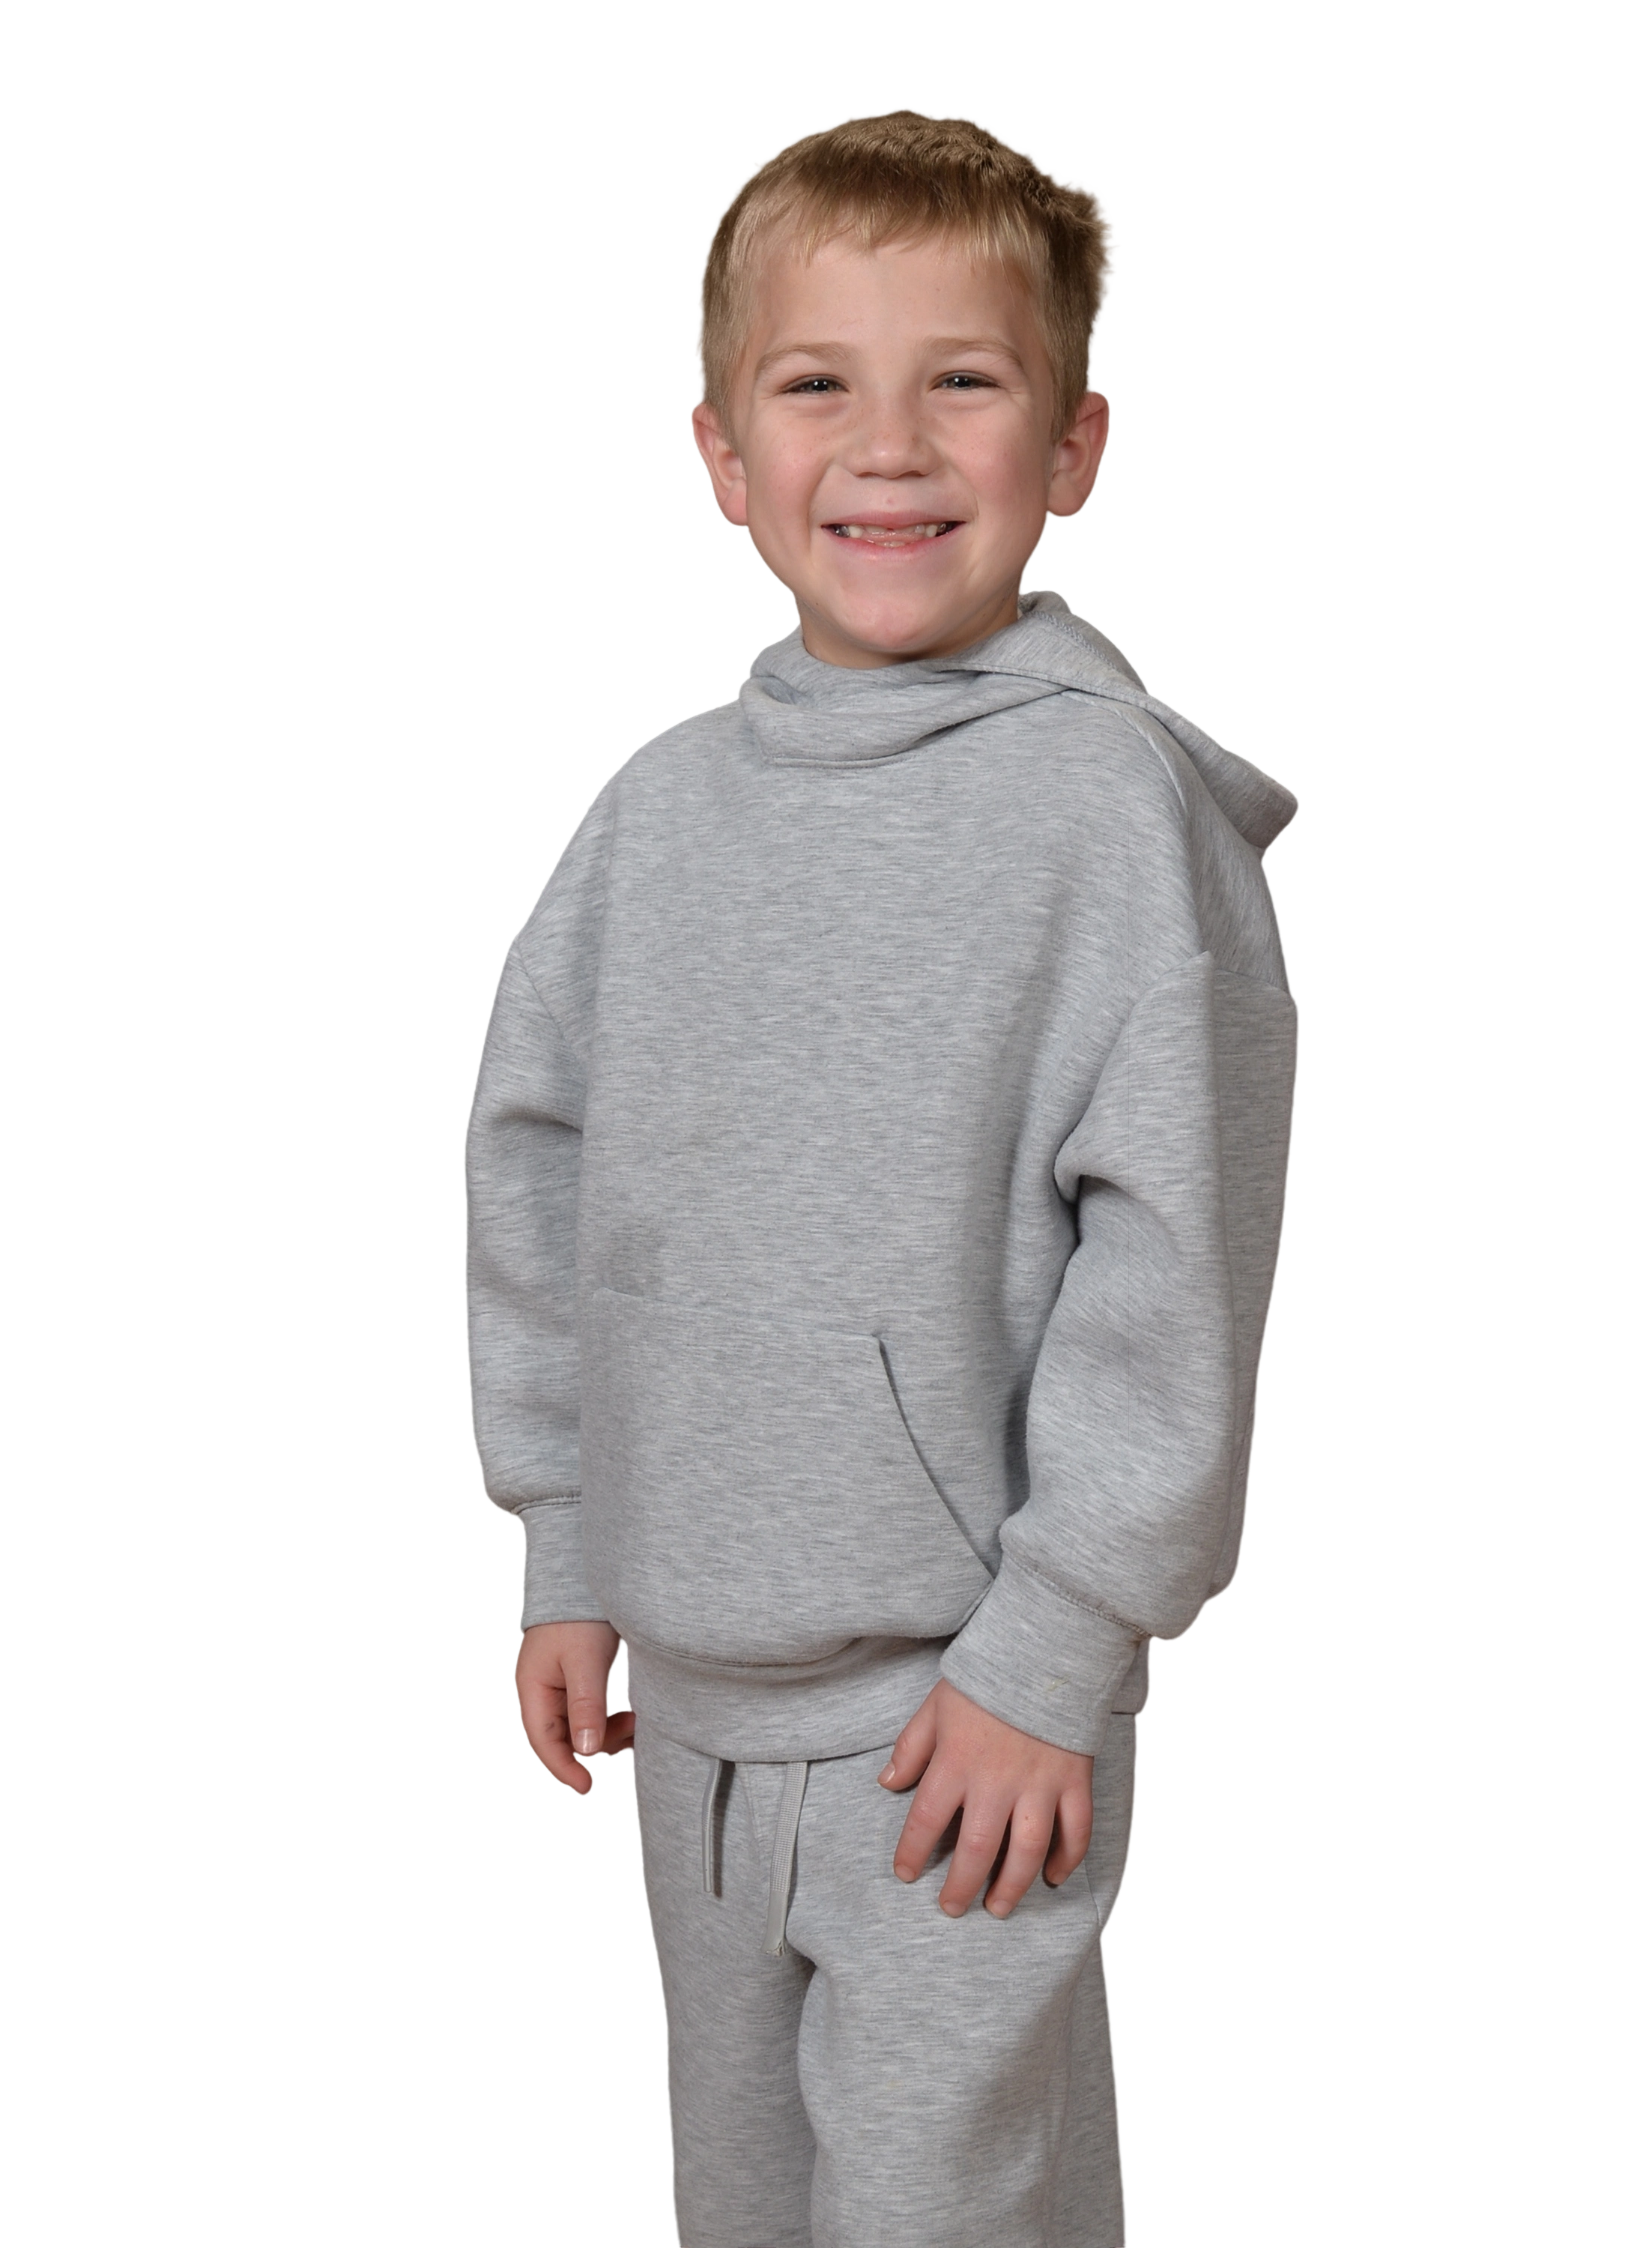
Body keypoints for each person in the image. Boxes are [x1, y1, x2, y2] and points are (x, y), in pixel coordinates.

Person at [462, 103, 1301, 2248]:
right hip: (695, 1709)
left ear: (1076, 445)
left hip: (964, 1719)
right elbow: (546, 1176)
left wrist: (1059, 1649)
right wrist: (571, 1539)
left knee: (946, 2215)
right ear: (722, 454)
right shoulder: (655, 814)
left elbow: (1175, 1266)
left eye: (966, 379)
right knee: (754, 2208)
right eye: (818, 382)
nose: (890, 447)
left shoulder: (1112, 823)